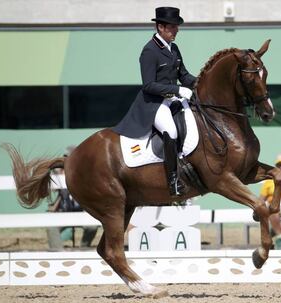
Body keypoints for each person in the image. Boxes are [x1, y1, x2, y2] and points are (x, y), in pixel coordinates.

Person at [113, 7, 196, 197]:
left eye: (177, 27)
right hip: (154, 104)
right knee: (171, 131)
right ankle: (173, 180)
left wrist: (202, 82)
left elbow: (183, 75)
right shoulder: (149, 51)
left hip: (173, 100)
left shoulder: (173, 48)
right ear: (160, 27)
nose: (176, 30)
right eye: (173, 27)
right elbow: (149, 85)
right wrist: (177, 90)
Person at [47, 147, 98, 249]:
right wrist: (59, 174)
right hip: (64, 211)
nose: (67, 161)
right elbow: (51, 190)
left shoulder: (85, 173)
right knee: (51, 227)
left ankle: (84, 249)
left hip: (82, 211)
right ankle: (57, 253)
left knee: (92, 227)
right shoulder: (59, 175)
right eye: (65, 158)